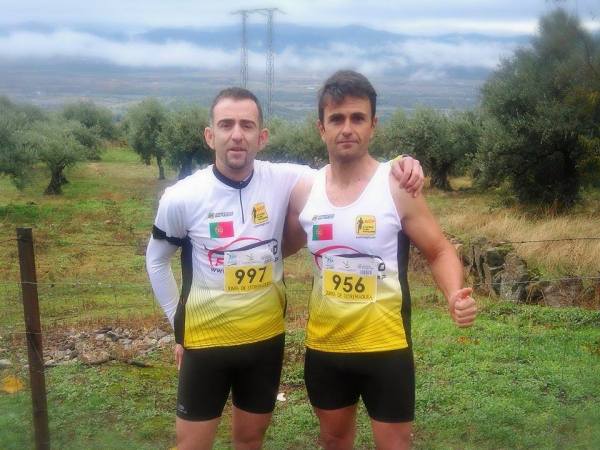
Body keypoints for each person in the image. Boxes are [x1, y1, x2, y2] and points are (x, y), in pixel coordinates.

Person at [146, 87, 425, 450]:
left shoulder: (285, 179)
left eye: (247, 125)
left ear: (261, 137)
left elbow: (347, 167)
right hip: (205, 344)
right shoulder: (182, 196)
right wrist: (178, 324)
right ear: (210, 135)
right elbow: (156, 260)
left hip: (265, 343)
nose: (236, 134)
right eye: (226, 125)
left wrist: (402, 163)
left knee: (250, 441)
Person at [283, 70, 478, 450]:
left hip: (386, 347)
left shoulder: (397, 185)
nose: (347, 128)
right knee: (334, 441)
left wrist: (454, 293)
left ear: (373, 125)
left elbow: (439, 249)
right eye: (336, 119)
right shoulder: (306, 190)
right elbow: (277, 244)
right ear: (321, 128)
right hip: (325, 347)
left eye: (357, 118)